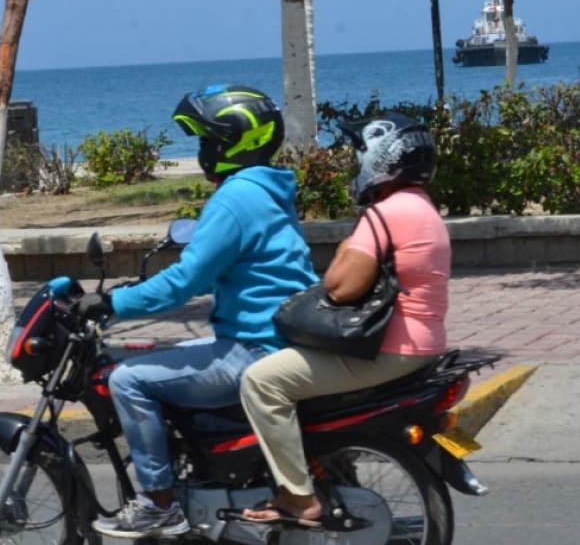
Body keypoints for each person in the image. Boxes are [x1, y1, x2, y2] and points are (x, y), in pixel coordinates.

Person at [72, 84, 318, 539]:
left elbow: (186, 281)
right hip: (276, 337)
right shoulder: (265, 188)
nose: (203, 150)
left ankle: (158, 504)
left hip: (256, 347)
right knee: (181, 352)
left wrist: (113, 301)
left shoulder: (235, 198)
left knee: (129, 379)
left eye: (207, 140)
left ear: (235, 140)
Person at [239, 111, 450, 526]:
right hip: (424, 345)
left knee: (261, 382)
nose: (356, 163)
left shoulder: (386, 213)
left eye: (360, 153)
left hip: (388, 348)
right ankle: (330, 469)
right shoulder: (422, 207)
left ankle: (299, 498)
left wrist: (347, 248)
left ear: (381, 156)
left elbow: (340, 287)